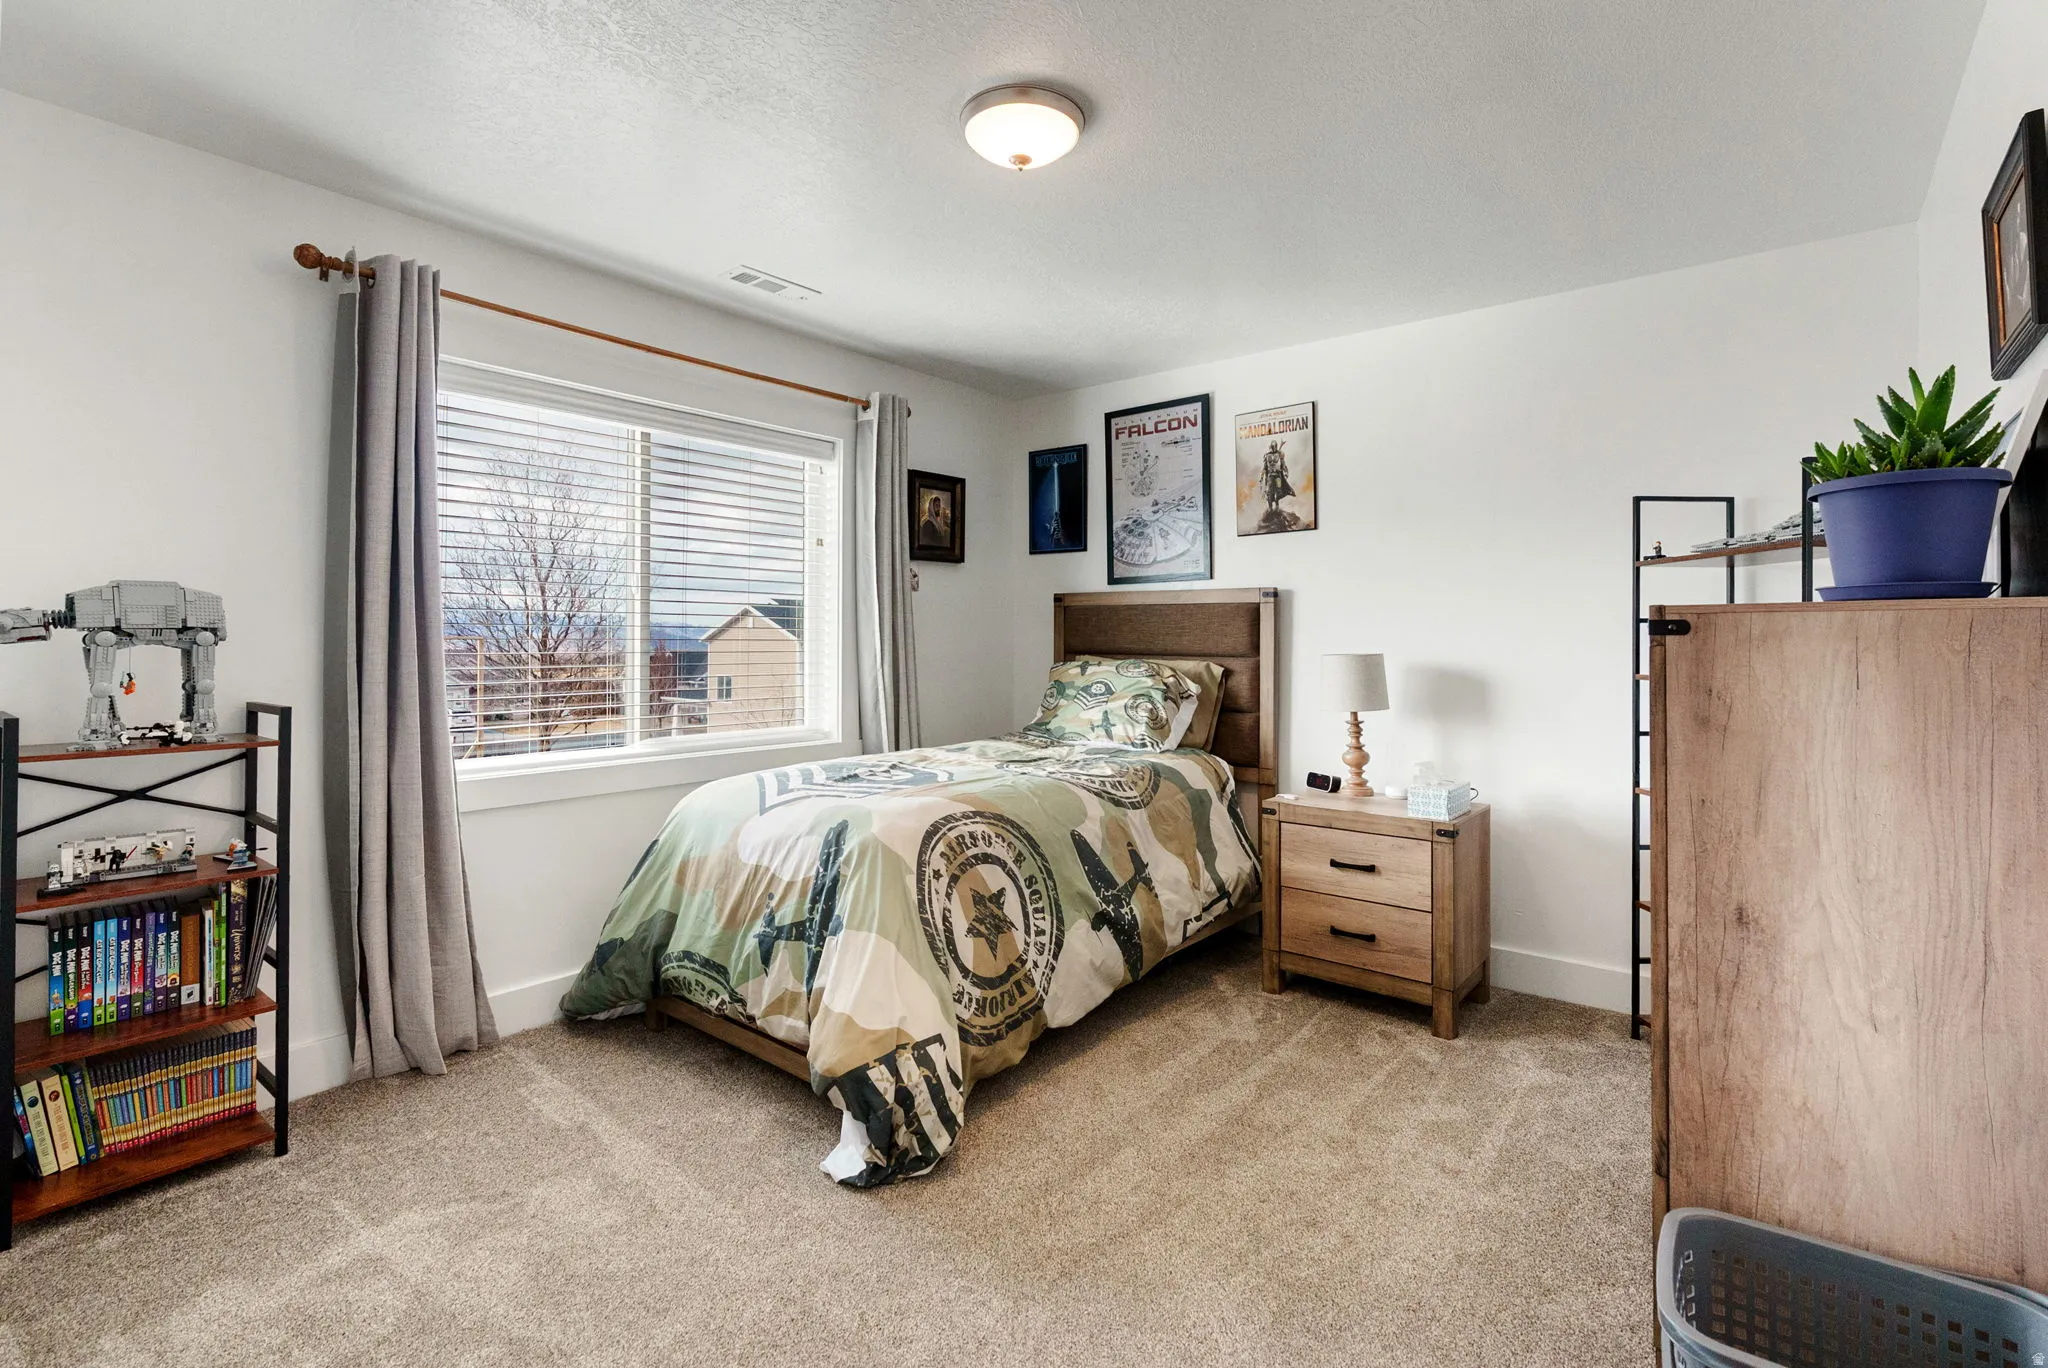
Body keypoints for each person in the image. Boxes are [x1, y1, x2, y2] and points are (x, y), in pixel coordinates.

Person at [1259, 439, 1295, 515]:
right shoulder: (1267, 455)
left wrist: (1285, 472)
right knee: (1269, 492)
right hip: (1270, 476)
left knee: (1278, 491)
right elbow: (1265, 467)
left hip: (1278, 475)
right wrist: (1261, 477)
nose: (1274, 447)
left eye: (1275, 446)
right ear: (1271, 446)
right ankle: (1270, 508)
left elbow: (1283, 464)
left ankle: (1277, 507)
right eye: (1273, 446)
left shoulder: (1279, 454)